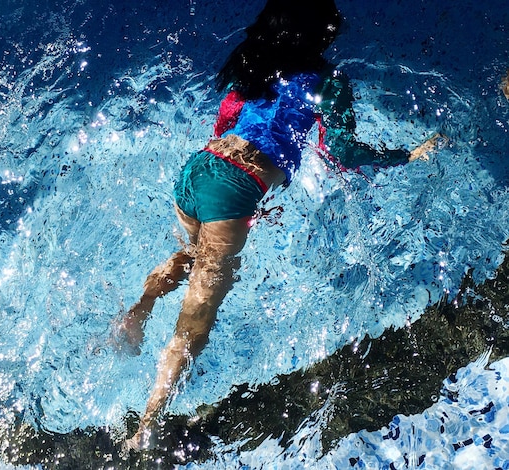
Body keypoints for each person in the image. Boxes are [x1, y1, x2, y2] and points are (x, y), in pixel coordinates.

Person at [116, 0, 439, 450]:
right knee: (196, 325)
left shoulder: (256, 66)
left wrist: (234, 202)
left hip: (198, 171)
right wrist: (404, 155)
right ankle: (146, 425)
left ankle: (140, 308)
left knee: (193, 256)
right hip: (233, 188)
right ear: (318, 37)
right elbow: (342, 154)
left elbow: (225, 124)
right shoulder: (330, 81)